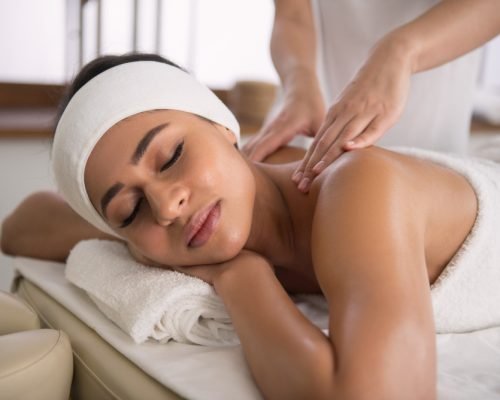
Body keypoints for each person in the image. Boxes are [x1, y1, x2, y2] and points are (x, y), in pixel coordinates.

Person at [2, 53, 500, 400]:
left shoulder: (356, 187)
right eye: (129, 209)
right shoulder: (179, 217)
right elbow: (19, 226)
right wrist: (129, 231)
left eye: (171, 155)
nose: (168, 205)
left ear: (224, 126)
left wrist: (243, 278)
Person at [243, 0, 500, 193]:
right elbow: (292, 14)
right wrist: (300, 83)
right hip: (309, 120)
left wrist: (401, 52)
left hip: (429, 133)